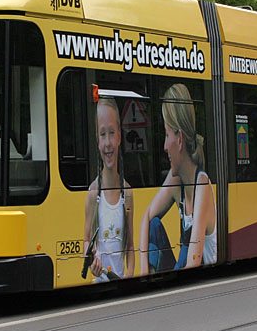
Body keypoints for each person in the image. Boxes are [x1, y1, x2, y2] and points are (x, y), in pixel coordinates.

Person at [139, 83, 216, 274]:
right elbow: (146, 218)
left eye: (166, 135)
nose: (164, 146)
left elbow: (193, 260)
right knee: (153, 225)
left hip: (200, 274)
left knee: (188, 239)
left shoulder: (202, 183)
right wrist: (143, 274)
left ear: (179, 139)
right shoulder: (177, 181)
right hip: (183, 265)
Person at [83, 98, 134, 281]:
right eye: (102, 135)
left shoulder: (127, 193)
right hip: (100, 283)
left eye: (112, 133)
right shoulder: (93, 193)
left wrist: (129, 277)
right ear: (97, 141)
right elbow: (87, 240)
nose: (108, 143)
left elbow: (130, 246)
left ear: (120, 136)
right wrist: (92, 262)